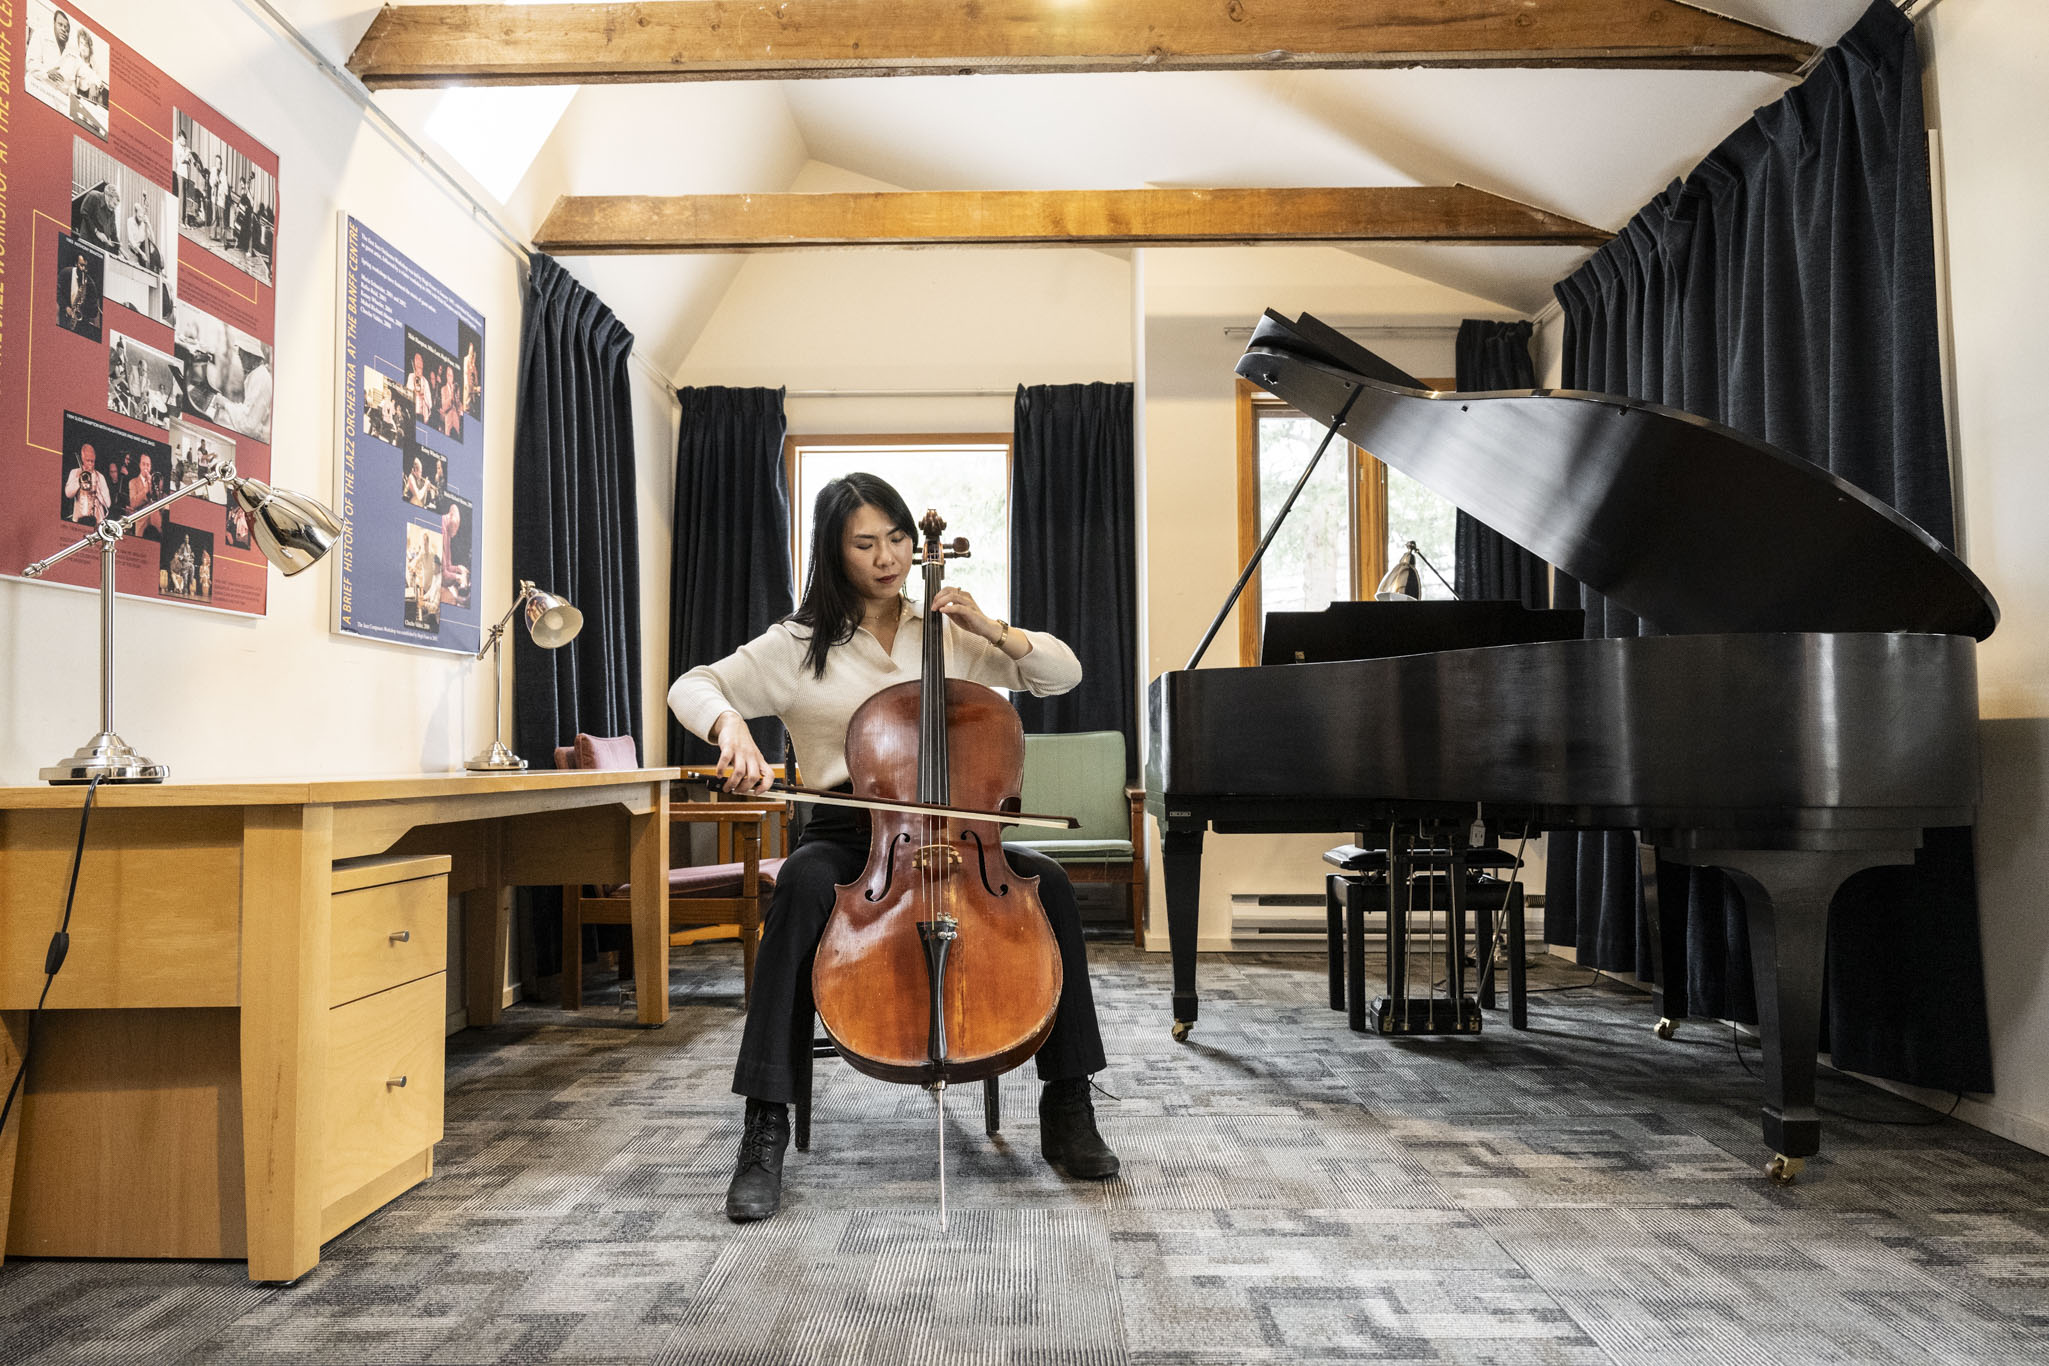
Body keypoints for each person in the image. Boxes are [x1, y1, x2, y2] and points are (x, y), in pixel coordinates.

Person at [669, 472, 1120, 1223]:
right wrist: (731, 727)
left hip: (964, 832)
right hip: (850, 834)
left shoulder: (949, 631)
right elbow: (694, 684)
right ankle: (763, 1127)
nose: (887, 556)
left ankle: (1068, 1106)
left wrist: (992, 629)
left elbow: (1062, 673)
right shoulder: (797, 643)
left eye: (899, 538)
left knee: (1052, 886)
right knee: (800, 891)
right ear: (833, 551)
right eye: (865, 542)